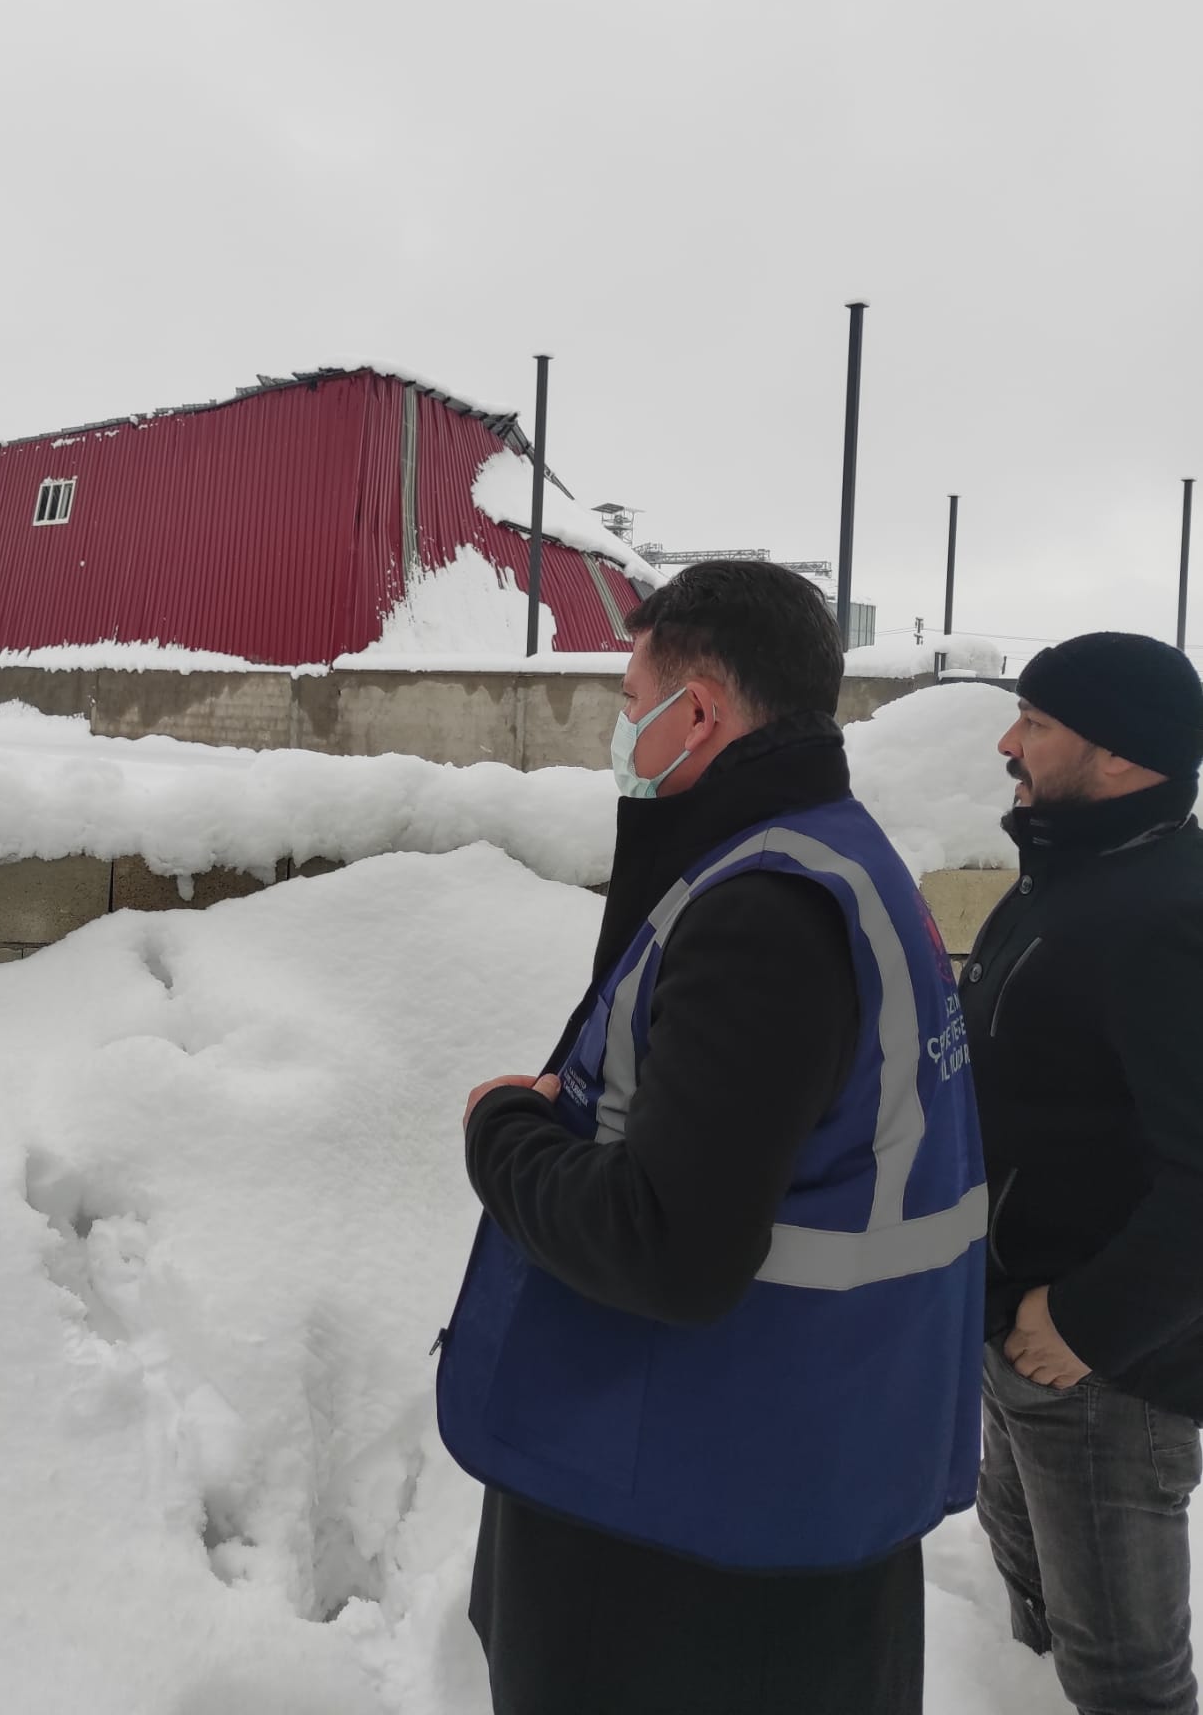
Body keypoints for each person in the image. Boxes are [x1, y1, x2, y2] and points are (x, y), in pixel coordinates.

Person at [434, 560, 986, 1715]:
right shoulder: (824, 852)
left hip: (698, 1534)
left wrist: (502, 1133)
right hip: (789, 1473)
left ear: (697, 714)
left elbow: (670, 1245)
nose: (619, 727)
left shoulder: (762, 911)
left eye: (630, 698)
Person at [962, 632, 1203, 1715]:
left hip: (1102, 1370)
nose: (1006, 743)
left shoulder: (1163, 915)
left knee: (1120, 1675)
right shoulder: (1065, 877)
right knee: (1032, 1627)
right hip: (1016, 1330)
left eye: (1036, 723)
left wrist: (1086, 1321)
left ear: (1119, 758)